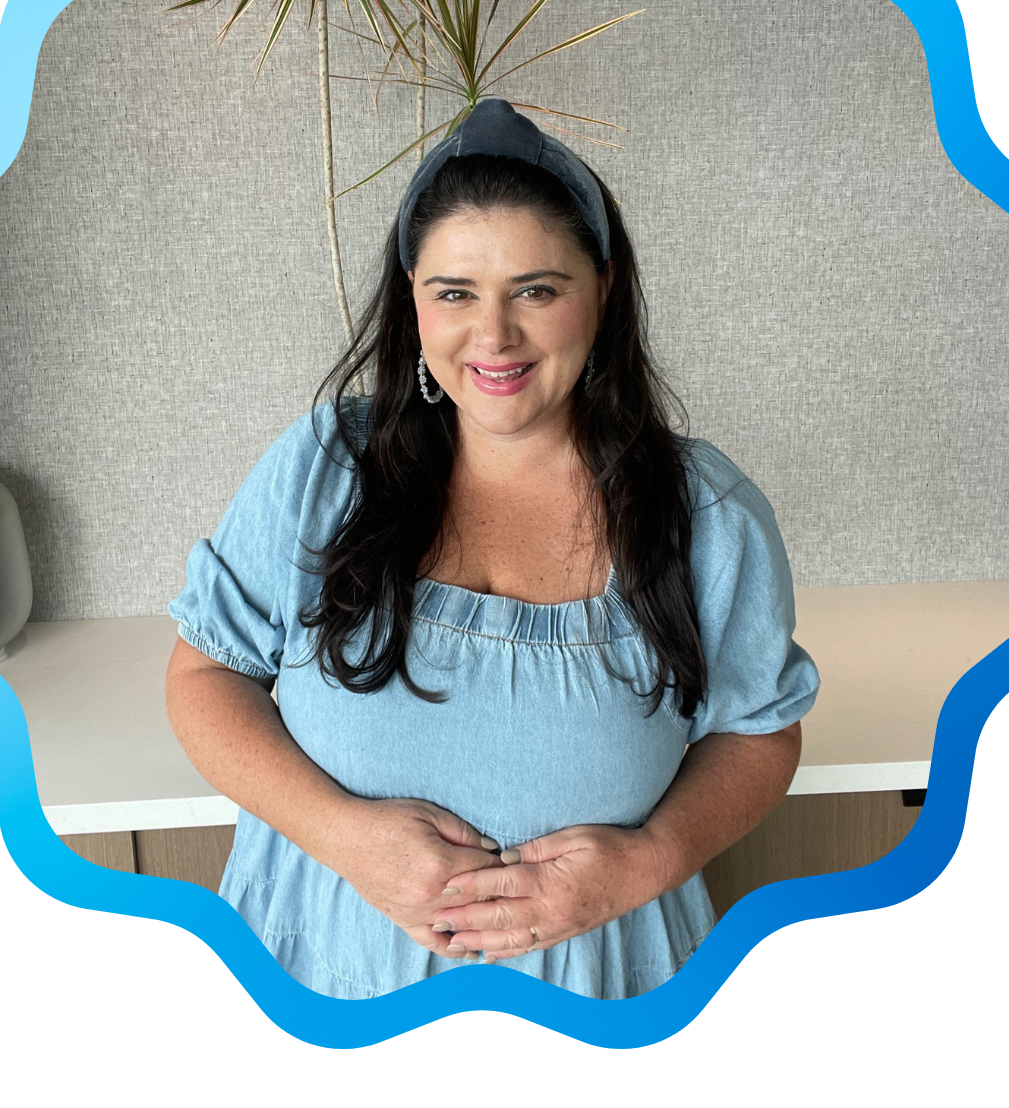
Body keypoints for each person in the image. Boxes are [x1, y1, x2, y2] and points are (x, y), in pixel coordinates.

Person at [164, 98, 820, 1000]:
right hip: (324, 973)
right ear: (413, 300)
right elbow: (205, 676)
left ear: (604, 289)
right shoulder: (323, 468)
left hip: (605, 988)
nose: (494, 336)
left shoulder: (707, 515)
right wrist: (346, 840)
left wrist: (650, 860)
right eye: (455, 293)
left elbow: (760, 732)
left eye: (537, 290)